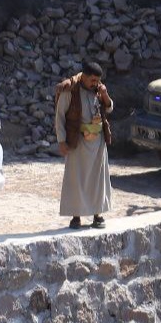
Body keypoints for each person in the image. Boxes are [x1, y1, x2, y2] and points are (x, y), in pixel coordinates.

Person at [54, 62, 113, 229]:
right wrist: (62, 141)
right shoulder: (70, 91)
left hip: (98, 143)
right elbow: (60, 117)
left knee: (97, 179)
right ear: (84, 77)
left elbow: (109, 108)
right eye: (92, 80)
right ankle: (76, 216)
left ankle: (97, 214)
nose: (95, 83)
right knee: (76, 179)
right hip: (77, 141)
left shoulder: (99, 89)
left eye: (97, 80)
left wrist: (105, 94)